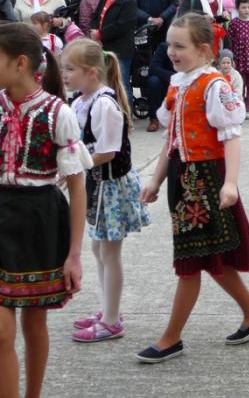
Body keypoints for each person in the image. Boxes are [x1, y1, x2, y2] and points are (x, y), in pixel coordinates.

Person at [137, 13, 249, 363]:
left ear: (205, 50)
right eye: (169, 45)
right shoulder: (178, 83)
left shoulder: (214, 85)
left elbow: (231, 135)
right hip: (182, 177)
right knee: (208, 255)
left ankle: (171, 337)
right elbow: (172, 139)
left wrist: (230, 183)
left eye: (180, 46)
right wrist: (156, 180)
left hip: (206, 179)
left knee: (191, 260)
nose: (172, 52)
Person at [0, 23, 91, 397]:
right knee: (1, 332)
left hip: (39, 221)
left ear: (20, 63)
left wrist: (74, 255)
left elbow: (77, 187)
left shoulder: (57, 113)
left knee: (34, 323)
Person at [62, 39, 150, 342]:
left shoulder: (104, 104)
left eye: (70, 69)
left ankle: (112, 320)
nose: (64, 74)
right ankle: (108, 309)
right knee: (99, 249)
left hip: (112, 187)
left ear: (91, 72)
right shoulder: (81, 101)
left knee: (109, 253)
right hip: (98, 185)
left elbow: (107, 151)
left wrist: (72, 164)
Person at [90, 0, 138, 105]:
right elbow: (96, 16)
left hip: (120, 51)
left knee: (121, 84)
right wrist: (94, 30)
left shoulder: (129, 2)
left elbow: (122, 26)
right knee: (105, 83)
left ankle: (126, 113)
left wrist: (100, 34)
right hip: (102, 47)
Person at [145, 41, 174, 132]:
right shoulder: (164, 47)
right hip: (167, 81)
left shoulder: (192, 48)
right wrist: (174, 77)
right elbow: (153, 68)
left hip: (187, 81)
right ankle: (154, 119)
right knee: (153, 81)